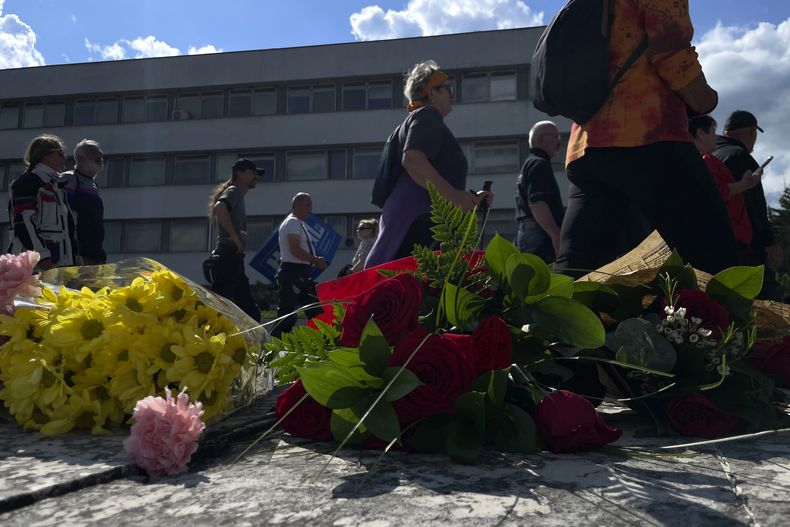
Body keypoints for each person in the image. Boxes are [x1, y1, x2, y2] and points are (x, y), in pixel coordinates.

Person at [553, 0, 746, 278]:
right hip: (649, 135)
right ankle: (712, 320)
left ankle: (546, 321)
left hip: (587, 145)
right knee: (715, 257)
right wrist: (705, 99)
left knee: (579, 265)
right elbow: (670, 52)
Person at [365, 60, 491, 268]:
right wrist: (453, 196)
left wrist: (467, 199)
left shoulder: (418, 119)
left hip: (412, 217)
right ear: (431, 93)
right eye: (446, 88)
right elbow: (413, 160)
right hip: (418, 220)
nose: (451, 94)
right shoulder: (428, 115)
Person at [714, 110, 783, 299]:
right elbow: (754, 205)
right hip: (746, 249)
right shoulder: (739, 156)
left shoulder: (713, 155)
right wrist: (768, 243)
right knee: (766, 313)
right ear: (752, 132)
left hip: (716, 246)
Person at [689, 115, 759, 252]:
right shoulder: (706, 160)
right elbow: (718, 193)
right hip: (730, 237)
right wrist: (745, 184)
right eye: (713, 131)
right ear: (701, 133)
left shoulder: (694, 161)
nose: (717, 137)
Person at [7, 134, 77, 270]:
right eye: (60, 153)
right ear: (45, 155)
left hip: (56, 267)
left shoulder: (56, 186)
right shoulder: (28, 183)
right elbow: (24, 222)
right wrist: (42, 256)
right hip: (33, 267)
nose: (64, 158)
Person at [207, 158, 263, 322]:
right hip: (228, 257)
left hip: (234, 259)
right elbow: (219, 208)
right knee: (219, 309)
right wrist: (234, 237)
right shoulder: (233, 192)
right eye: (252, 173)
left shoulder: (238, 195)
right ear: (240, 173)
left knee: (249, 311)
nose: (256, 177)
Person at [272, 193, 327, 337]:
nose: (310, 209)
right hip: (292, 272)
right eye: (307, 205)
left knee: (315, 310)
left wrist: (313, 260)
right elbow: (295, 248)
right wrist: (314, 260)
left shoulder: (298, 223)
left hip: (300, 273)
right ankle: (272, 347)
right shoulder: (292, 223)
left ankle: (323, 341)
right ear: (296, 205)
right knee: (288, 315)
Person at [515, 121, 564, 262]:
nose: (559, 141)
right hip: (539, 234)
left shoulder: (530, 163)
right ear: (541, 139)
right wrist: (555, 235)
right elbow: (537, 203)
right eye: (555, 136)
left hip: (529, 231)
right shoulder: (538, 163)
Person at [59, 139, 107, 265]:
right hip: (77, 252)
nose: (99, 157)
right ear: (80, 157)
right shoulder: (68, 179)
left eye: (100, 154)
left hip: (94, 252)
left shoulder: (94, 185)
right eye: (93, 152)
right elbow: (61, 215)